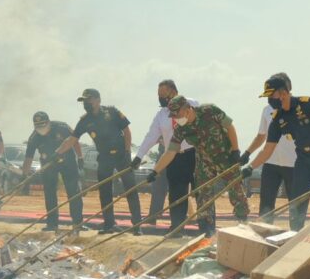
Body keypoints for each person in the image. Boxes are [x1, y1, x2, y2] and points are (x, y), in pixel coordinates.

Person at [245, 75, 310, 231]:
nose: (269, 100)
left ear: (283, 93)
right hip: (304, 159)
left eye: (271, 95)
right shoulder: (278, 119)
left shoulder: (309, 104)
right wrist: (250, 167)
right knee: (297, 201)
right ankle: (296, 234)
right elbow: (268, 149)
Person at [149, 96, 249, 235]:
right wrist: (155, 171)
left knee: (236, 190)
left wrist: (235, 149)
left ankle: (243, 223)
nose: (175, 118)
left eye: (177, 114)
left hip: (225, 157)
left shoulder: (209, 111)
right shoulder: (180, 129)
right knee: (203, 195)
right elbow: (170, 152)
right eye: (173, 116)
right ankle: (207, 231)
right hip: (205, 161)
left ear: (187, 109)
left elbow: (229, 126)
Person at [56, 89, 141, 234]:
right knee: (105, 191)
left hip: (122, 156)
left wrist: (127, 152)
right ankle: (109, 224)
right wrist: (57, 153)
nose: (86, 104)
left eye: (88, 100)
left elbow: (127, 131)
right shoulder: (84, 121)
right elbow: (72, 139)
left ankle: (137, 225)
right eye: (83, 101)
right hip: (104, 158)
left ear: (98, 100)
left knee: (130, 189)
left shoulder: (112, 112)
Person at [134, 80, 198, 230]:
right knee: (176, 192)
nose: (161, 98)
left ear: (173, 92)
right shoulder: (161, 115)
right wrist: (139, 156)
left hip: (194, 154)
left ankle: (205, 225)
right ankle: (177, 226)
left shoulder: (193, 103)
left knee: (200, 191)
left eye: (163, 94)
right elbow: (151, 136)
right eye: (159, 95)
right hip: (173, 156)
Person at [242, 72, 297, 222]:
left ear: (286, 89)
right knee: (266, 203)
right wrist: (247, 153)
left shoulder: (299, 108)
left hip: (293, 164)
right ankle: (265, 234)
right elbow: (261, 136)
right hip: (270, 163)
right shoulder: (267, 110)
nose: (270, 97)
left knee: (295, 203)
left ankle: (296, 234)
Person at [23, 111, 84, 231]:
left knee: (73, 192)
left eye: (43, 125)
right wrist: (24, 175)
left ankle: (78, 223)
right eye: (38, 126)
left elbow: (75, 140)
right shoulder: (34, 137)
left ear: (49, 122)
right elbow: (28, 158)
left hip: (68, 162)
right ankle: (52, 224)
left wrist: (80, 157)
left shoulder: (62, 127)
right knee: (50, 193)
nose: (41, 128)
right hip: (48, 165)